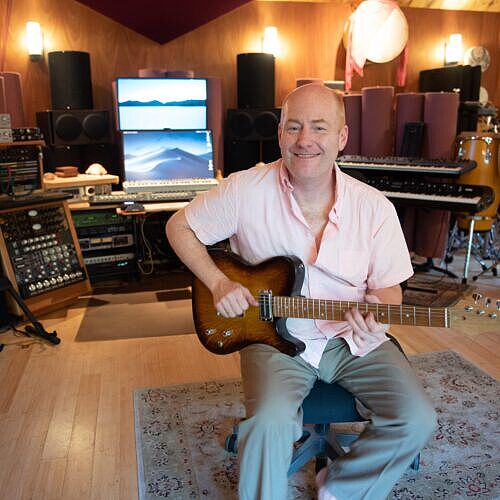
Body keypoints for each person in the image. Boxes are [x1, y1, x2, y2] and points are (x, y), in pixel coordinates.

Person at [166, 83, 437, 500]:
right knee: (269, 422)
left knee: (417, 419)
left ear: (342, 138)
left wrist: (375, 317)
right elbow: (178, 226)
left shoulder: (375, 207)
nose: (305, 140)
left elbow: (388, 291)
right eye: (293, 128)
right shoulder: (244, 190)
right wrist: (218, 281)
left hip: (351, 340)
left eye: (319, 128)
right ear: (279, 136)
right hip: (272, 335)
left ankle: (342, 486)